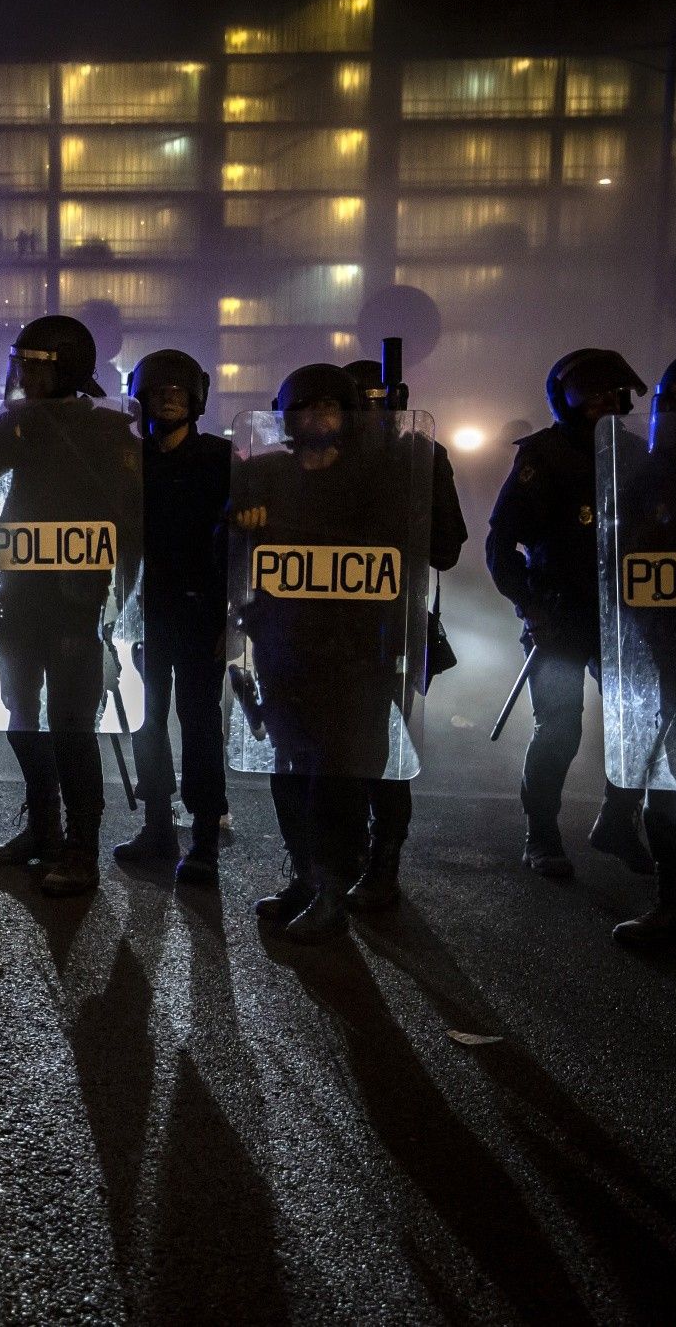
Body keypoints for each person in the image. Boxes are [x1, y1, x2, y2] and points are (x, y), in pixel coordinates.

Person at [239, 365, 427, 943]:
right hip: (282, 642)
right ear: (286, 416)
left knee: (340, 771)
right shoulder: (266, 472)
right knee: (290, 767)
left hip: (354, 647)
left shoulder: (380, 476)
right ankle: (304, 875)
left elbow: (423, 545)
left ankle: (330, 890)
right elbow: (230, 553)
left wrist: (420, 467)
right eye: (305, 409)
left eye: (329, 408)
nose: (317, 420)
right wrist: (242, 524)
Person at [0, 315, 143, 895]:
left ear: (63, 369)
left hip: (76, 601)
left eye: (32, 366)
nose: (21, 376)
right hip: (20, 595)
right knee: (21, 719)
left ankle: (80, 850)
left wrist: (117, 599)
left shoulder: (110, 432)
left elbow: (132, 524)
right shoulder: (18, 422)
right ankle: (42, 829)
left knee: (70, 728)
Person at [487, 349, 655, 878]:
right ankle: (542, 836)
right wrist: (530, 604)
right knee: (559, 729)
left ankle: (618, 819)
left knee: (638, 726)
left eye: (611, 394)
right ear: (566, 399)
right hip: (559, 616)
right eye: (591, 394)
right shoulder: (543, 457)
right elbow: (501, 543)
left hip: (626, 617)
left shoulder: (634, 454)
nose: (602, 403)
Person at [340, 358, 469, 911]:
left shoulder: (422, 456)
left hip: (392, 619)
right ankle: (334, 861)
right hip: (328, 619)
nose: (372, 411)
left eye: (378, 400)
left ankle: (381, 861)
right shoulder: (315, 452)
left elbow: (446, 545)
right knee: (330, 743)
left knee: (386, 747)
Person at [608, 345, 676, 947]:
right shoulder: (650, 475)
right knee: (668, 786)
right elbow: (624, 560)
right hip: (671, 651)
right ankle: (675, 908)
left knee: (672, 784)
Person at [111, 348, 230, 886]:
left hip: (201, 611)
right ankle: (159, 826)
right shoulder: (128, 459)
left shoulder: (221, 460)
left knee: (200, 723)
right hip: (143, 611)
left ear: (198, 397)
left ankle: (203, 838)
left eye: (178, 391)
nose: (168, 398)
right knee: (147, 722)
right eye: (158, 390)